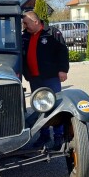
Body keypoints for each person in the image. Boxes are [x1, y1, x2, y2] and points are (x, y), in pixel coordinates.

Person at [22, 11, 69, 149]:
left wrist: (63, 70)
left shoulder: (52, 33)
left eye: (26, 23)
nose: (24, 26)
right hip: (34, 78)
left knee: (55, 106)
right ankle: (44, 135)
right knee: (39, 107)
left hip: (51, 77)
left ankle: (58, 136)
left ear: (35, 22)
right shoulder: (25, 36)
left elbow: (63, 51)